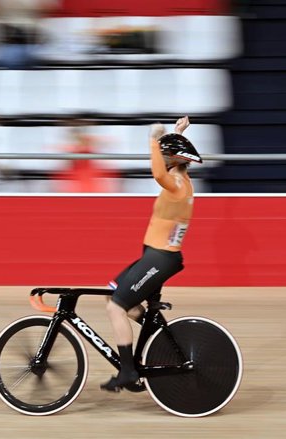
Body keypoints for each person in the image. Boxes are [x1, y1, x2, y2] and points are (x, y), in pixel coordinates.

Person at [100, 116, 203, 392]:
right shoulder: (182, 179)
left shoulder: (176, 185)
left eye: (166, 155)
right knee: (114, 294)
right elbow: (176, 157)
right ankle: (157, 333)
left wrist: (153, 139)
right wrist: (177, 132)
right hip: (155, 257)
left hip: (160, 257)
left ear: (171, 159)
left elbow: (158, 173)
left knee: (115, 307)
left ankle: (128, 371)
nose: (164, 158)